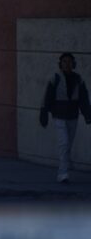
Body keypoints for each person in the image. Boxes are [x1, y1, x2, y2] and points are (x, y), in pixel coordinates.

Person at [39, 52, 91, 183]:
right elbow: (47, 97)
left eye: (69, 62)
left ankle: (66, 164)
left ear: (73, 64)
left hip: (73, 116)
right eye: (64, 62)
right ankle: (62, 173)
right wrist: (44, 113)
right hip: (59, 116)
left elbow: (84, 99)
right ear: (60, 64)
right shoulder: (55, 79)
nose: (67, 64)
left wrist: (87, 115)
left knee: (68, 145)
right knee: (64, 143)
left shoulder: (79, 79)